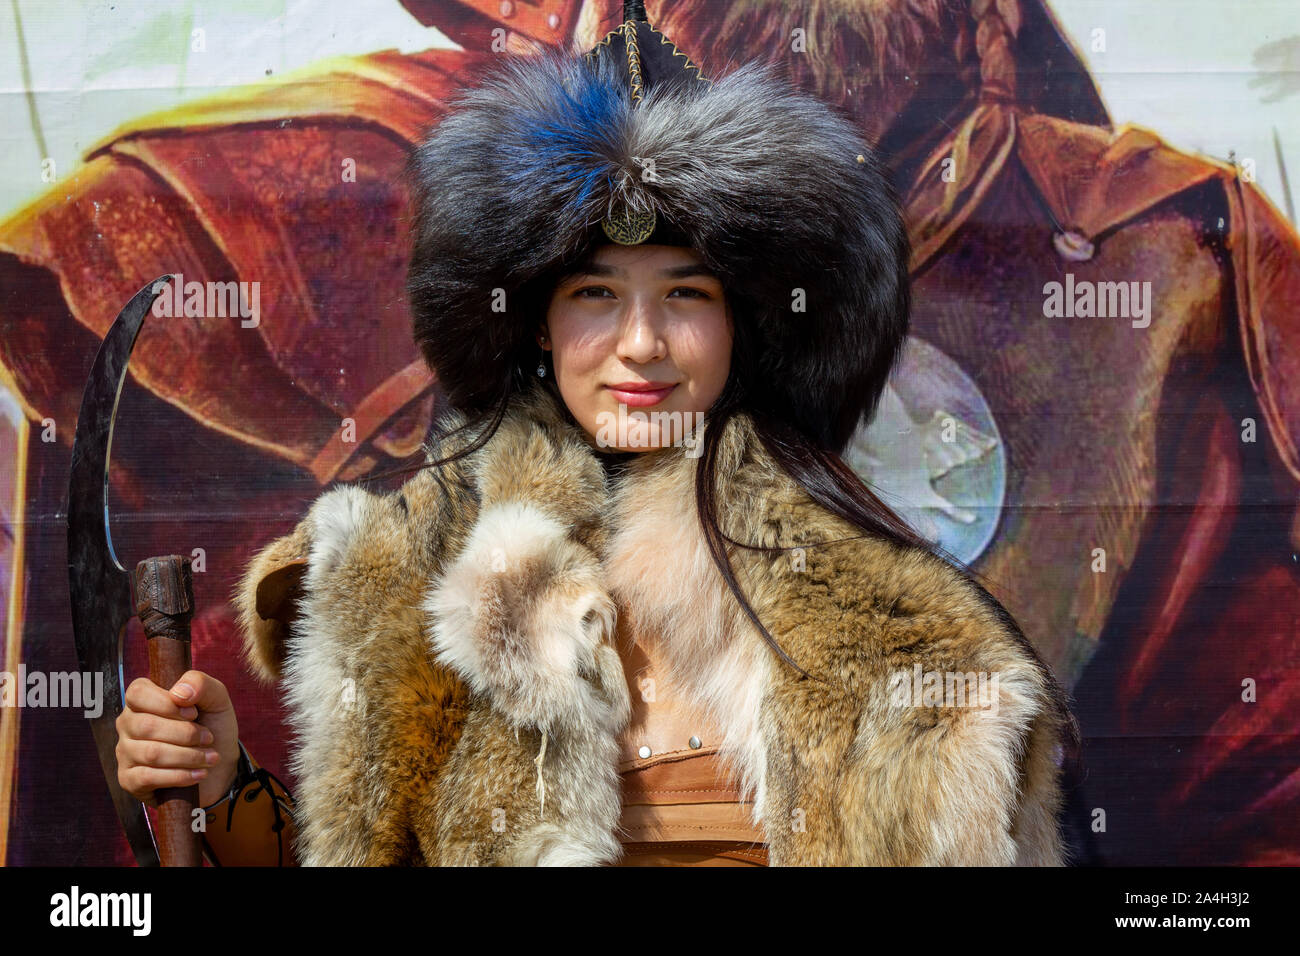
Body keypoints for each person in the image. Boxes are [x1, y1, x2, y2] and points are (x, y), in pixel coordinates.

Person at [115, 0, 1075, 865]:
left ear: (744, 325)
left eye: (687, 295)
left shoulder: (913, 652)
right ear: (537, 322)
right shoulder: (411, 580)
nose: (642, 344)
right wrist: (222, 786)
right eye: (597, 295)